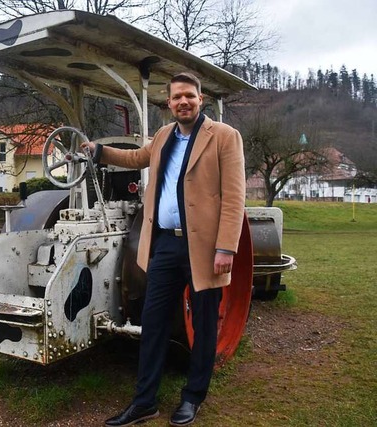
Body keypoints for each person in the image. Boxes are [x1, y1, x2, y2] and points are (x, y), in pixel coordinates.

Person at [82, 72, 246, 426]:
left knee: (203, 326)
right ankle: (144, 402)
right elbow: (136, 158)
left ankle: (193, 397)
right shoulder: (163, 136)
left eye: (189, 96)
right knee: (153, 323)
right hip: (165, 245)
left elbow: (234, 197)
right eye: (176, 98)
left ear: (200, 99)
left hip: (204, 248)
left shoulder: (224, 137)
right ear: (168, 103)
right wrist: (99, 152)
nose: (183, 102)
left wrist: (226, 249)